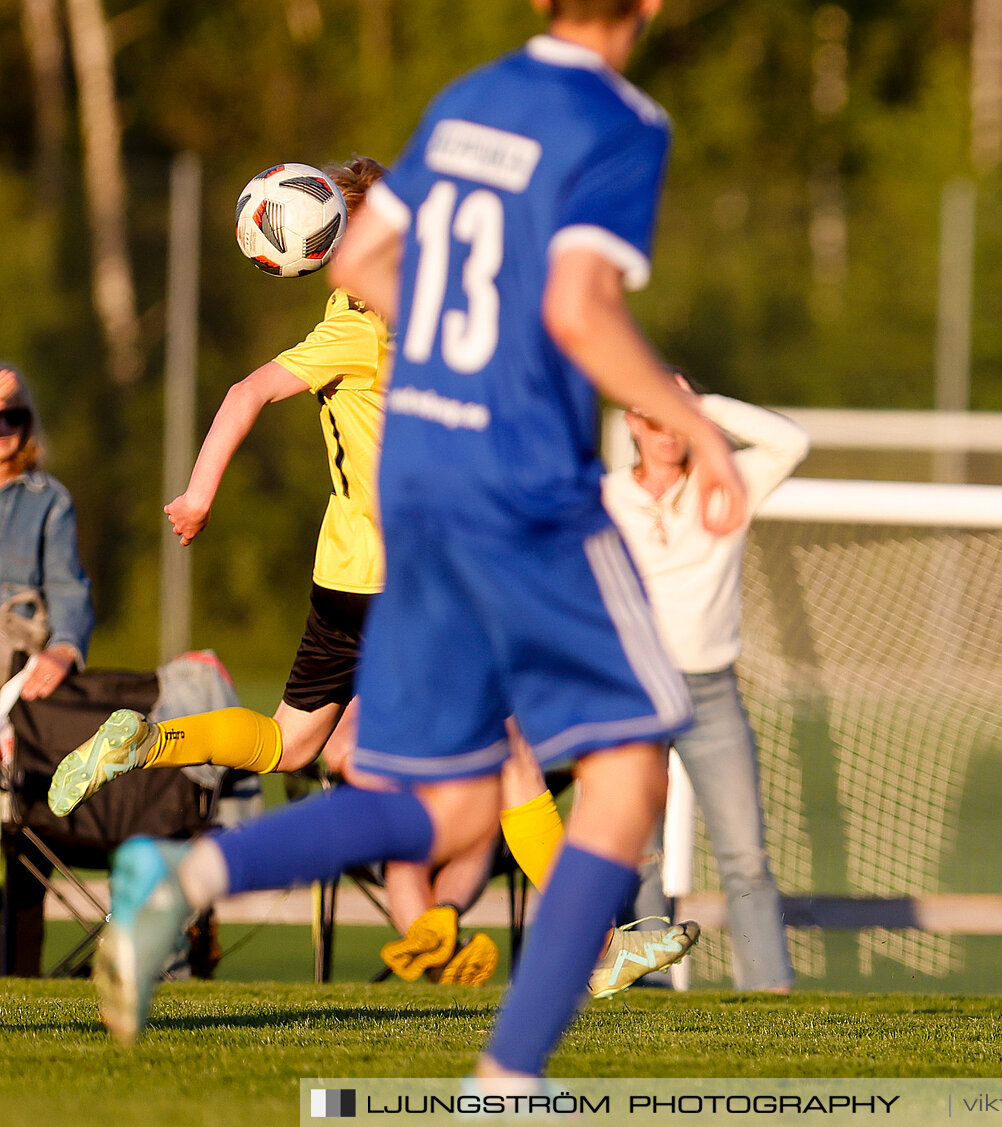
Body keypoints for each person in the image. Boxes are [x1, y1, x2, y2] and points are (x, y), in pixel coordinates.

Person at [93, 0, 747, 1089]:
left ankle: (187, 867)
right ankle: (510, 1081)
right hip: (521, 483)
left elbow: (375, 263)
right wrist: (693, 427)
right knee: (633, 761)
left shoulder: (466, 102)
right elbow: (583, 311)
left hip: (421, 493)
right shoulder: (621, 121)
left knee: (446, 797)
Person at [52, 156, 499, 987]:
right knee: (492, 749)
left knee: (293, 746)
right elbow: (246, 390)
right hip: (417, 578)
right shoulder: (372, 327)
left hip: (346, 574)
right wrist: (199, 490)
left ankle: (146, 741)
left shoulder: (364, 316)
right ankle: (578, 937)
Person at [497, 379, 807, 995]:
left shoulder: (728, 481)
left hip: (711, 692)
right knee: (629, 847)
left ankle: (769, 992)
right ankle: (643, 988)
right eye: (654, 418)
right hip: (629, 692)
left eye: (676, 421)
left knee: (745, 855)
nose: (667, 432)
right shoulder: (607, 496)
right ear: (632, 424)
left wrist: (700, 407)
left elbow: (790, 442)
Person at [0, 365, 93, 700]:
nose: (4, 427)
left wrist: (65, 648)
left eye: (14, 416)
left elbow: (66, 586)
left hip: (13, 662)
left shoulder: (50, 500)